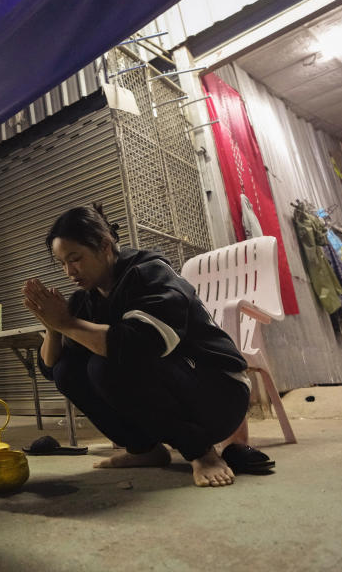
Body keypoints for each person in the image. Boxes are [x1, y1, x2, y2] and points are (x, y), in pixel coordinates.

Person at [23, 204, 269, 487]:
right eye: (62, 263)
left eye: (75, 258)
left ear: (104, 245)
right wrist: (54, 327)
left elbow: (139, 345)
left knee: (107, 363)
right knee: (68, 370)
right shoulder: (86, 299)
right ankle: (145, 449)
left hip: (220, 394)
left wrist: (67, 323)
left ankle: (202, 453)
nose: (69, 271)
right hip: (176, 387)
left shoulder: (150, 273)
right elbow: (50, 368)